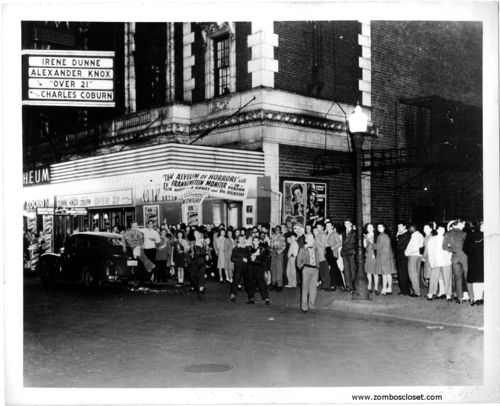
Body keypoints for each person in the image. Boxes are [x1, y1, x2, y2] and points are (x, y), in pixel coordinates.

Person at [443, 219, 469, 303]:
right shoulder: (464, 234)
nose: (464, 226)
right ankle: (469, 296)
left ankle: (459, 298)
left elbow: (444, 247)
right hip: (464, 257)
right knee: (467, 277)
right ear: (460, 224)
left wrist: (452, 250)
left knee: (457, 278)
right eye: (463, 224)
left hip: (454, 257)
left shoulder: (448, 234)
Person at [426, 224, 453, 301]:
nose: (442, 231)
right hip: (436, 262)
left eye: (443, 230)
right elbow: (430, 252)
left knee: (447, 278)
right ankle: (430, 294)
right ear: (437, 230)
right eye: (440, 230)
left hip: (446, 262)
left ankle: (448, 295)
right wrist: (431, 262)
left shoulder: (447, 238)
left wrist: (449, 259)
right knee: (433, 278)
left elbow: (450, 250)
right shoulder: (432, 239)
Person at [297, 233, 320, 313]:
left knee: (313, 288)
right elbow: (298, 260)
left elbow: (318, 258)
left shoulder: (315, 248)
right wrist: (301, 267)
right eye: (309, 238)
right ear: (306, 240)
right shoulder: (303, 249)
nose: (311, 240)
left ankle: (312, 305)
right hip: (306, 269)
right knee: (305, 288)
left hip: (315, 269)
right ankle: (304, 307)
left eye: (312, 238)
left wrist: (318, 267)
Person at [246, 236, 270, 305]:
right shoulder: (250, 249)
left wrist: (254, 258)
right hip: (251, 269)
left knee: (261, 283)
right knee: (251, 284)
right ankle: (251, 298)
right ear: (252, 242)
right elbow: (248, 258)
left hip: (259, 269)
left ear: (259, 241)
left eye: (257, 241)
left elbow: (263, 260)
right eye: (254, 241)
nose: (255, 242)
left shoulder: (262, 249)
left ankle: (266, 298)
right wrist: (251, 259)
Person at [374, 223, 395, 295]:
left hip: (384, 257)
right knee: (387, 273)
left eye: (380, 227)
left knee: (385, 274)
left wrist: (371, 243)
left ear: (384, 228)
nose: (379, 228)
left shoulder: (383, 236)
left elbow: (378, 247)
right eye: (378, 227)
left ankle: (385, 289)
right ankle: (388, 289)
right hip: (386, 257)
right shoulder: (383, 236)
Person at [405, 224, 424, 297]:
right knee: (416, 273)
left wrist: (407, 253)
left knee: (413, 275)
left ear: (413, 228)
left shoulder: (415, 236)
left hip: (413, 256)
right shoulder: (420, 235)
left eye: (409, 228)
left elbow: (415, 248)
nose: (409, 230)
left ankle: (416, 292)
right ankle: (417, 291)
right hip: (419, 256)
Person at [229, 235, 250, 302]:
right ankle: (233, 294)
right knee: (236, 280)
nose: (241, 240)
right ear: (238, 240)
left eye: (243, 239)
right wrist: (241, 259)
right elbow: (232, 258)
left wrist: (248, 259)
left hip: (246, 267)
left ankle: (251, 296)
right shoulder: (235, 249)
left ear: (244, 240)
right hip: (238, 267)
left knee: (248, 281)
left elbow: (249, 257)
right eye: (240, 239)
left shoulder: (247, 248)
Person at [189, 229, 208, 300]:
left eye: (196, 233)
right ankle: (200, 289)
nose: (195, 235)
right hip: (199, 261)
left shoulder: (200, 240)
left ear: (199, 234)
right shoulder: (199, 241)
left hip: (199, 260)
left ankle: (199, 290)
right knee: (196, 276)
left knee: (197, 276)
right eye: (194, 233)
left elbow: (200, 252)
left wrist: (194, 255)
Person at [467, 222, 484, 306]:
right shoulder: (486, 236)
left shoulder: (471, 235)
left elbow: (465, 248)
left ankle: (477, 298)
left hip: (473, 261)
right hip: (483, 261)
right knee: (481, 280)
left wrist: (471, 255)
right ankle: (481, 298)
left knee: (475, 280)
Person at [313, 223, 332, 291]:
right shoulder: (318, 235)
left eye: (319, 226)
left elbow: (323, 245)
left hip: (322, 256)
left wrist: (317, 240)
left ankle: (326, 286)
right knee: (321, 272)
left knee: (325, 272)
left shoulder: (323, 234)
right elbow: (315, 246)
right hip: (318, 256)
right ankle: (324, 285)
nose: (317, 228)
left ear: (322, 227)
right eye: (317, 227)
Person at [325, 221, 343, 290]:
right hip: (327, 251)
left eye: (329, 226)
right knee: (334, 268)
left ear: (332, 226)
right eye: (327, 226)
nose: (328, 227)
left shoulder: (335, 234)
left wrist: (332, 247)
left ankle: (334, 284)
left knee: (333, 268)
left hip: (332, 252)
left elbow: (340, 243)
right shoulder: (327, 234)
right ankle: (340, 284)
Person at [395, 222, 411, 296]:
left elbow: (398, 245)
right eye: (398, 227)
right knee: (400, 274)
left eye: (400, 227)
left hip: (404, 257)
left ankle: (406, 291)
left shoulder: (407, 235)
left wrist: (397, 237)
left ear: (404, 227)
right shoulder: (401, 235)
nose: (399, 228)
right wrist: (397, 236)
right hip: (399, 257)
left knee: (404, 274)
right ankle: (403, 290)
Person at [341, 219, 356, 292]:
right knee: (346, 270)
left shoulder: (354, 233)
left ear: (351, 224)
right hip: (344, 253)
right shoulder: (343, 233)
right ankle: (348, 286)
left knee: (352, 269)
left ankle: (353, 286)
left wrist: (354, 250)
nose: (346, 225)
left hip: (351, 252)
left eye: (347, 223)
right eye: (345, 223)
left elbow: (355, 242)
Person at [269, 226, 286, 292]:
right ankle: (274, 283)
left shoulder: (282, 237)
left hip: (279, 252)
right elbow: (271, 245)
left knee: (279, 268)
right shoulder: (272, 236)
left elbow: (284, 246)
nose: (277, 230)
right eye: (276, 229)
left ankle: (279, 285)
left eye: (278, 229)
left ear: (280, 230)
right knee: (273, 268)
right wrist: (271, 251)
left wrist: (280, 251)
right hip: (273, 252)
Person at [364, 224, 377, 294]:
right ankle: (369, 286)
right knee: (368, 271)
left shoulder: (376, 235)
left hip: (373, 254)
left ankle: (376, 288)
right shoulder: (366, 236)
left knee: (375, 272)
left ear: (373, 228)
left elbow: (377, 246)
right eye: (368, 227)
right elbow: (364, 246)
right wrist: (365, 240)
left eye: (371, 227)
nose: (369, 228)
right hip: (367, 253)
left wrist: (375, 254)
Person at [421, 223, 434, 288]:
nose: (424, 229)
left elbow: (427, 249)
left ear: (431, 229)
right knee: (428, 274)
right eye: (424, 228)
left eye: (427, 228)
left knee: (429, 274)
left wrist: (423, 257)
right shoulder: (427, 237)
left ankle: (431, 291)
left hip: (428, 257)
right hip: (428, 257)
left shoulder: (429, 237)